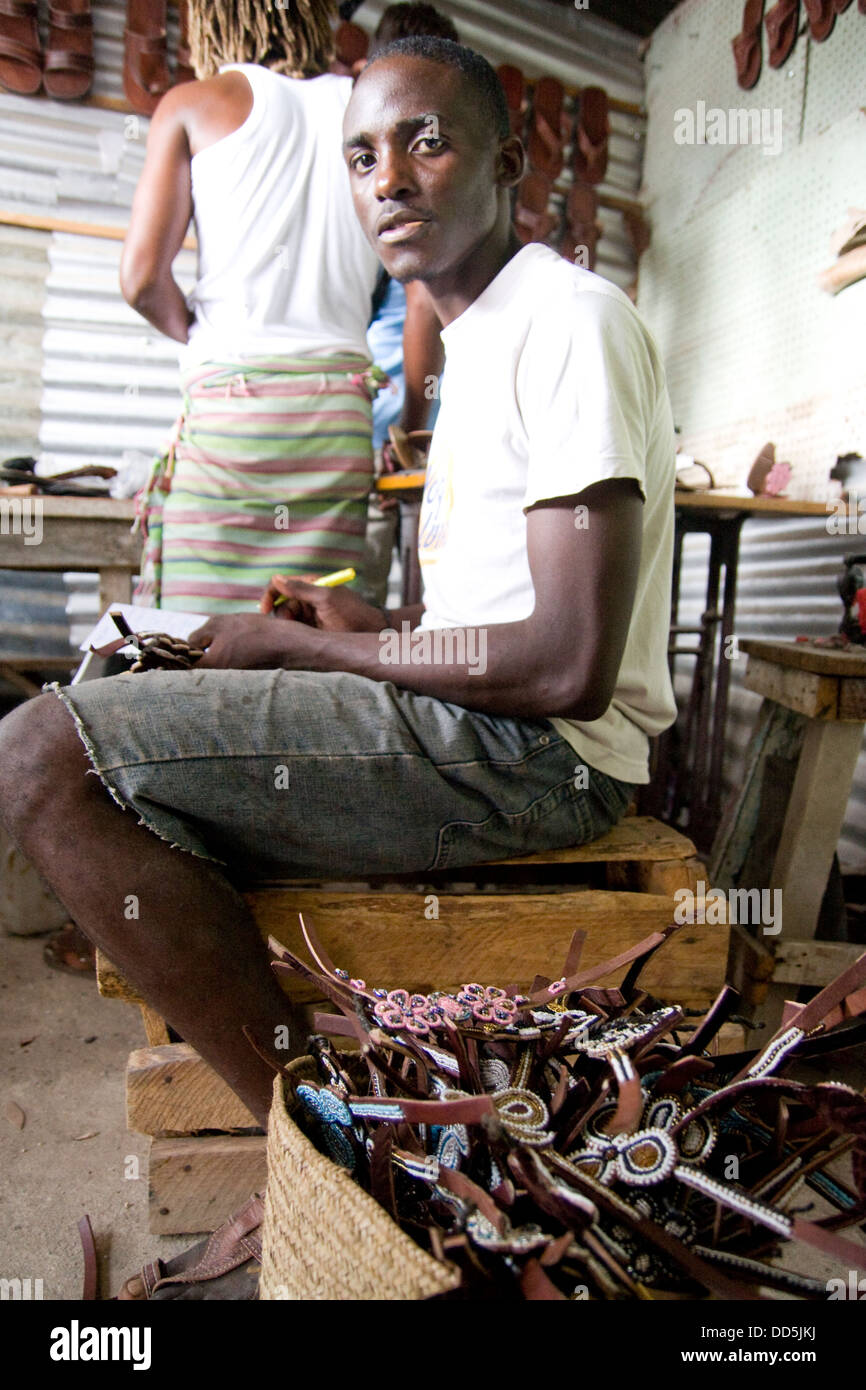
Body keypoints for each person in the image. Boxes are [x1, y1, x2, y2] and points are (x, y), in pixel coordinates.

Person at [0, 36, 676, 1297]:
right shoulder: (478, 337)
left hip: (540, 764)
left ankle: (317, 1154)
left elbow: (567, 665)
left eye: (426, 142)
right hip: (501, 730)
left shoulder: (566, 321)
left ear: (508, 166)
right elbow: (498, 621)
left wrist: (306, 648)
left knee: (38, 755)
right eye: (361, 155)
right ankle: (323, 1098)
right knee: (110, 697)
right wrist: (358, 629)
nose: (388, 182)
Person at [120, 0, 382, 612]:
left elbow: (139, 279)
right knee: (315, 643)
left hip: (232, 420)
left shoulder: (191, 104)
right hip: (335, 418)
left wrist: (199, 333)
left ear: (209, 20)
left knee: (199, 648)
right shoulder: (368, 106)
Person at [362, 4, 460, 606]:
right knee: (412, 595)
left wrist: (409, 428)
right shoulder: (429, 158)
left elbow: (420, 302)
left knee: (390, 595)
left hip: (395, 423)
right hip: (404, 420)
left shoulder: (376, 163)